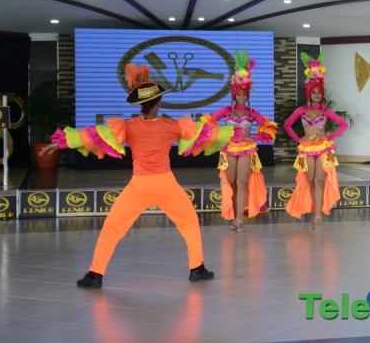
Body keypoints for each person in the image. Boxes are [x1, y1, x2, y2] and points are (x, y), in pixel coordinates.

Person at [40, 64, 233, 289]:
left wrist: (61, 143)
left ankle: (94, 275)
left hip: (139, 186)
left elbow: (93, 135)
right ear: (158, 103)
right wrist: (236, 133)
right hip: (166, 184)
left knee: (113, 227)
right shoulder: (171, 126)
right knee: (189, 222)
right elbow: (206, 133)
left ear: (141, 105)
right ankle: (197, 269)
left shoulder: (129, 127)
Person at [211, 49, 277, 233]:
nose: (241, 97)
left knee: (242, 183)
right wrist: (221, 137)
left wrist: (254, 137)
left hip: (247, 149)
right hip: (229, 149)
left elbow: (269, 128)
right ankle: (234, 217)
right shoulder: (225, 111)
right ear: (233, 94)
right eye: (239, 94)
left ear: (248, 95)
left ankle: (240, 219)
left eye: (244, 94)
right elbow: (209, 124)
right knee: (232, 184)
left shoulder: (251, 112)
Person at [283, 52, 349, 230]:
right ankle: (314, 211)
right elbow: (287, 125)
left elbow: (343, 125)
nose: (317, 95)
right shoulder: (301, 110)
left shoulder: (326, 111)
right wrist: (299, 139)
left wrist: (329, 136)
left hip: (322, 148)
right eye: (314, 92)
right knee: (310, 181)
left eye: (319, 92)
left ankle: (318, 216)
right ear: (309, 93)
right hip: (306, 148)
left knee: (320, 181)